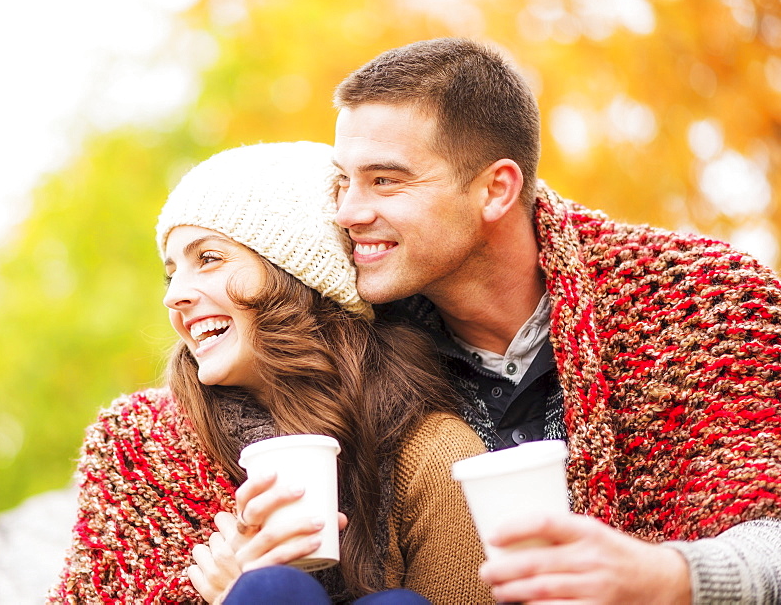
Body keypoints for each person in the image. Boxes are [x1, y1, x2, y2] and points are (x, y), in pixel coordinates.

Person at [324, 37, 781, 604]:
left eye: (385, 180)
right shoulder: (347, 329)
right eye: (343, 179)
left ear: (496, 189)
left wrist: (671, 577)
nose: (348, 212)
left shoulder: (704, 298)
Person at [48, 141, 494, 603]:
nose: (174, 295)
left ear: (301, 274)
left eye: (209, 258)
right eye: (171, 273)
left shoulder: (433, 455)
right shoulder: (138, 446)